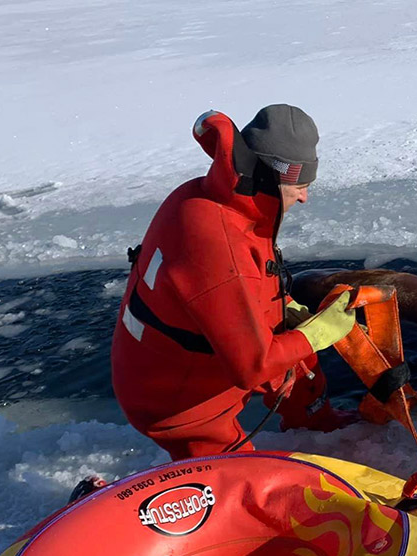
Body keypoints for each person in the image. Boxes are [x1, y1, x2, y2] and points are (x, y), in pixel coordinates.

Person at [111, 105, 358, 460]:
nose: (305, 197)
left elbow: (229, 287)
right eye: (301, 186)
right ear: (277, 179)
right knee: (235, 480)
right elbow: (251, 367)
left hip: (186, 354)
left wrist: (283, 308)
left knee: (299, 363)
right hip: (174, 401)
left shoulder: (214, 198)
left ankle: (315, 422)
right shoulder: (218, 242)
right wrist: (318, 333)